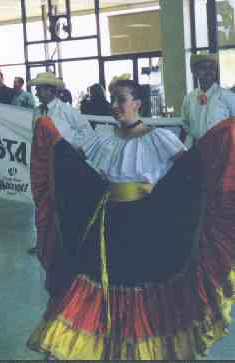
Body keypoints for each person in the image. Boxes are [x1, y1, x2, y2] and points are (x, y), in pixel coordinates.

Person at [27, 79, 235, 360]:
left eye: (121, 99)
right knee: (96, 282)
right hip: (106, 226)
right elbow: (73, 167)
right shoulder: (100, 137)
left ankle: (143, 349)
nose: (114, 106)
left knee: (142, 287)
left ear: (137, 104)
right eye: (112, 99)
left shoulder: (161, 139)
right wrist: (49, 137)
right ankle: (89, 344)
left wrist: (220, 140)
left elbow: (187, 174)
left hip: (145, 227)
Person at [26, 71, 94, 254]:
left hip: (63, 162)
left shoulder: (66, 110)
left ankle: (63, 242)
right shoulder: (37, 112)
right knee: (43, 202)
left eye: (39, 89)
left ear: (50, 90)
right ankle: (43, 242)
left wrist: (72, 147)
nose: (37, 92)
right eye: (37, 89)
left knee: (62, 201)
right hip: (43, 164)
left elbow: (86, 130)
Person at [181, 52, 235, 147]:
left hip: (221, 153)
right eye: (203, 68)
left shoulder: (227, 96)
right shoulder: (189, 98)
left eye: (212, 67)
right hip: (197, 151)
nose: (208, 71)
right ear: (195, 72)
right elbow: (186, 127)